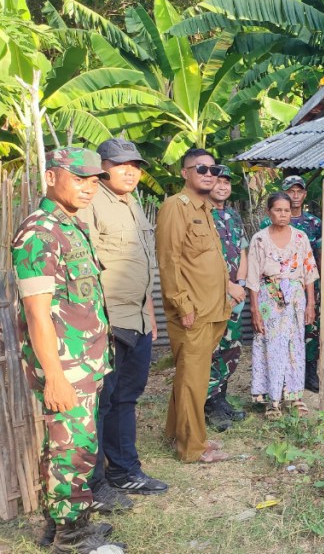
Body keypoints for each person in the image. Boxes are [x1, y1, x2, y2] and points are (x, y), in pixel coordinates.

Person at [12, 147, 125, 553]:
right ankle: (72, 538)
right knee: (73, 450)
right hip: (64, 366)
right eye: (78, 179)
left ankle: (57, 525)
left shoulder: (69, 226)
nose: (88, 188)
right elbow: (36, 313)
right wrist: (56, 378)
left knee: (66, 445)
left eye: (93, 181)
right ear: (50, 178)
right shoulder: (39, 233)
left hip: (83, 361)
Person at [80, 139, 168, 516]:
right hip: (109, 321)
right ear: (103, 167)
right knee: (102, 404)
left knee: (126, 398)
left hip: (138, 320)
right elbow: (85, 264)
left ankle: (125, 471)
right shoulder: (91, 202)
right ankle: (95, 483)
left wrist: (150, 315)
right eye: (121, 165)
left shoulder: (132, 203)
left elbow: (141, 265)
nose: (131, 171)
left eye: (135, 165)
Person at [156, 148, 234, 463]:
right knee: (193, 380)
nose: (209, 174)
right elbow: (169, 260)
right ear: (184, 172)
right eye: (201, 168)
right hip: (194, 311)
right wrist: (182, 304)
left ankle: (179, 433)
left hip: (213, 309)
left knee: (192, 377)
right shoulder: (177, 207)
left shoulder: (205, 209)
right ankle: (192, 448)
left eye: (213, 169)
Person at [247, 192, 318, 417]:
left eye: (286, 210)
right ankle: (272, 400)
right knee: (271, 346)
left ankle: (294, 396)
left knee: (295, 345)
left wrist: (311, 304)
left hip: (295, 299)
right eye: (278, 210)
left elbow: (309, 272)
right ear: (269, 212)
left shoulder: (300, 238)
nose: (283, 214)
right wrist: (254, 310)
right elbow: (252, 277)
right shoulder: (259, 239)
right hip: (268, 299)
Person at [260, 175, 322, 392]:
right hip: (276, 289)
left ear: (304, 194)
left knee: (310, 329)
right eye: (290, 191)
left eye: (299, 191)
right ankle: (282, 376)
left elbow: (319, 258)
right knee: (279, 332)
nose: (295, 195)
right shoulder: (268, 224)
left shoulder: (314, 223)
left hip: (308, 285)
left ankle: (310, 373)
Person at [204, 166, 249, 431]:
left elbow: (242, 251)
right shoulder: (201, 215)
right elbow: (203, 259)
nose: (222, 187)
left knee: (231, 348)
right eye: (218, 182)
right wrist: (228, 286)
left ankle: (221, 398)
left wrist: (240, 284)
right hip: (212, 294)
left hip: (235, 295)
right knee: (212, 349)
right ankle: (209, 405)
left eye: (226, 183)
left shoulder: (233, 215)